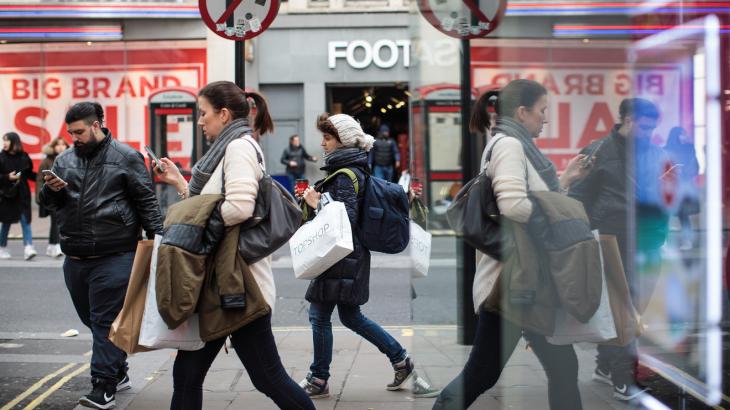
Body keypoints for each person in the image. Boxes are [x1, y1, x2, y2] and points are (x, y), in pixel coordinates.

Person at [153, 81, 315, 410]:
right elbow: (212, 204)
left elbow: (239, 206)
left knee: (267, 377)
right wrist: (181, 184)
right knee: (187, 375)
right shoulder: (226, 149)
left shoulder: (238, 147)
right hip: (220, 283)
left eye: (204, 113)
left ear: (224, 114)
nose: (200, 121)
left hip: (238, 287)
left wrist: (193, 231)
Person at [432, 80, 592, 410]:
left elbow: (534, 200)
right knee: (482, 374)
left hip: (525, 281)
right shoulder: (510, 145)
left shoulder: (514, 145)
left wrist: (567, 180)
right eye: (542, 111)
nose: (545, 119)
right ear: (522, 112)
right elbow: (515, 205)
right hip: (511, 285)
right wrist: (559, 218)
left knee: (562, 367)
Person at [299, 113, 438, 399]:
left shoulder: (346, 176)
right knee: (350, 316)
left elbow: (344, 221)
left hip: (341, 258)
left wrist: (315, 203)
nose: (323, 143)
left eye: (327, 138)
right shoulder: (354, 169)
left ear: (343, 141)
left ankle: (318, 379)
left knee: (320, 315)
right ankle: (402, 361)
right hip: (351, 257)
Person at [39, 102, 163, 409]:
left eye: (79, 132)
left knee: (104, 322)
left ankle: (103, 387)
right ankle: (118, 371)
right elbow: (48, 203)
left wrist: (159, 241)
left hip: (115, 254)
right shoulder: (64, 159)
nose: (74, 138)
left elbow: (146, 201)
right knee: (91, 319)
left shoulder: (126, 157)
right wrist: (51, 190)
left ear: (97, 125)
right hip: (75, 257)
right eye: (70, 133)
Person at [570, 97, 667, 401]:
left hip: (649, 238)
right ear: (627, 120)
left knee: (632, 307)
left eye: (654, 127)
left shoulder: (655, 153)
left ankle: (603, 365)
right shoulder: (598, 151)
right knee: (622, 309)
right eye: (645, 126)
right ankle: (623, 378)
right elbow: (579, 195)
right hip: (611, 238)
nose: (650, 132)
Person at [0, 132, 37, 260]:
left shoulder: (24, 156)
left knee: (25, 221)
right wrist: (7, 177)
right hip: (7, 196)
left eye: (7, 140)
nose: (4, 143)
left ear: (14, 142)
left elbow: (29, 174)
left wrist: (42, 178)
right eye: (3, 140)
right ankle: (2, 247)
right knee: (6, 223)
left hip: (22, 195)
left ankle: (29, 247)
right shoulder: (1, 157)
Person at [664, 126, 700, 250]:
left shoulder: (688, 149)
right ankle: (669, 242)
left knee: (681, 215)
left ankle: (684, 241)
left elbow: (695, 168)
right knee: (671, 216)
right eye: (682, 134)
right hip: (673, 187)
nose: (684, 136)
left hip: (680, 187)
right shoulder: (669, 149)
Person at [36, 137, 70, 258]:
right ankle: (56, 246)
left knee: (58, 222)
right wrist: (39, 196)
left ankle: (52, 246)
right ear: (53, 147)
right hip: (51, 196)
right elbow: (40, 179)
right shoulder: (46, 161)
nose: (61, 147)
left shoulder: (70, 159)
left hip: (66, 196)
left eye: (63, 144)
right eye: (58, 145)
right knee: (56, 222)